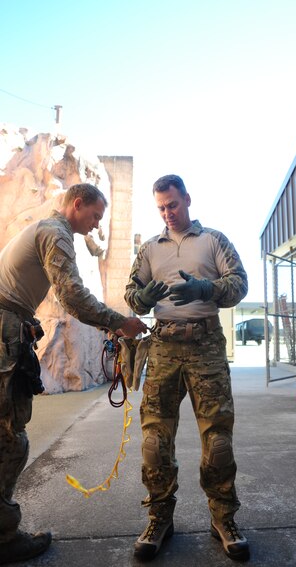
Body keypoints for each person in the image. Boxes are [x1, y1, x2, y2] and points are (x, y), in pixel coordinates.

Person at [0, 183, 147, 565]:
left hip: (9, 324)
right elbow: (72, 295)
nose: (97, 225)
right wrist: (119, 323)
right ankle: (3, 537)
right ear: (77, 204)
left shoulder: (45, 230)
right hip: (4, 328)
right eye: (95, 215)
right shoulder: (55, 233)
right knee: (10, 439)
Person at [124, 174, 249, 562]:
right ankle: (160, 517)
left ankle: (223, 519)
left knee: (218, 441)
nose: (167, 213)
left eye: (173, 205)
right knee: (154, 442)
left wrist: (205, 289)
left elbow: (239, 284)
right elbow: (132, 296)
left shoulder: (213, 240)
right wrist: (141, 298)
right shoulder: (148, 249)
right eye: (161, 207)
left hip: (206, 343)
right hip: (162, 345)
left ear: (187, 200)